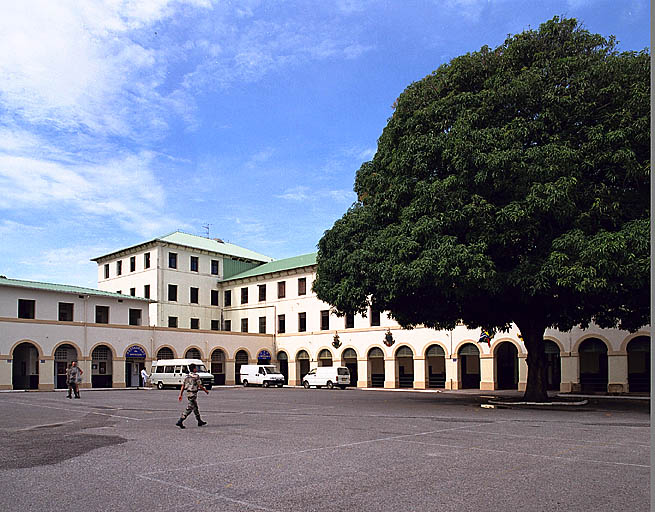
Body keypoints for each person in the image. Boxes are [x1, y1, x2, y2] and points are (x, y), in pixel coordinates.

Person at [176, 363, 209, 429]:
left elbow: (183, 386)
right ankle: (180, 420)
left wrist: (181, 394)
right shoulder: (196, 376)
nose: (196, 369)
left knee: (195, 407)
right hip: (193, 394)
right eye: (195, 368)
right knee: (190, 408)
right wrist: (205, 390)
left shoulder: (187, 376)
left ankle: (199, 421)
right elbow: (199, 385)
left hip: (188, 393)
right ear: (194, 369)